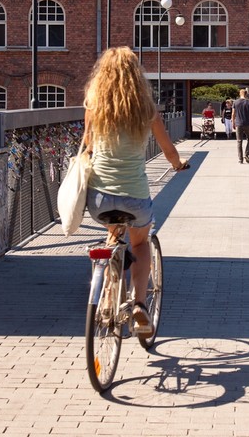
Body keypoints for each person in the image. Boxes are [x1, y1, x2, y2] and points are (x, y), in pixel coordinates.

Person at [82, 47, 189, 337]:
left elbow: (88, 146)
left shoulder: (94, 103)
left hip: (99, 197)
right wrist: (178, 164)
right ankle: (140, 304)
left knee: (113, 233)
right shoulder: (146, 109)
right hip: (135, 195)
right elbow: (168, 150)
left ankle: (106, 299)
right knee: (140, 244)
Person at [232, 88, 249, 163]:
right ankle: (246, 154)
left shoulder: (235, 102)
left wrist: (233, 123)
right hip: (247, 124)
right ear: (246, 94)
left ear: (240, 94)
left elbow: (233, 114)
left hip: (238, 124)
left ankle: (240, 159)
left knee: (239, 141)